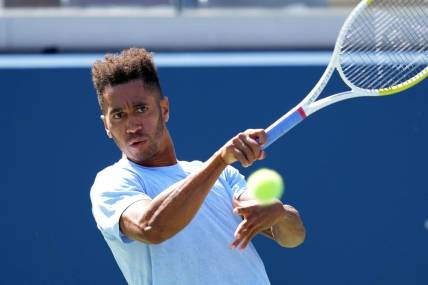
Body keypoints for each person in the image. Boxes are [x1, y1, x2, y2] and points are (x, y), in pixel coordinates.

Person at [90, 48, 306, 285]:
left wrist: (279, 213)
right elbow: (151, 228)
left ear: (164, 110)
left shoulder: (224, 176)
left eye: (142, 109)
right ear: (106, 126)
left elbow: (292, 237)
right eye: (118, 115)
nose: (132, 126)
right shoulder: (112, 182)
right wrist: (220, 160)